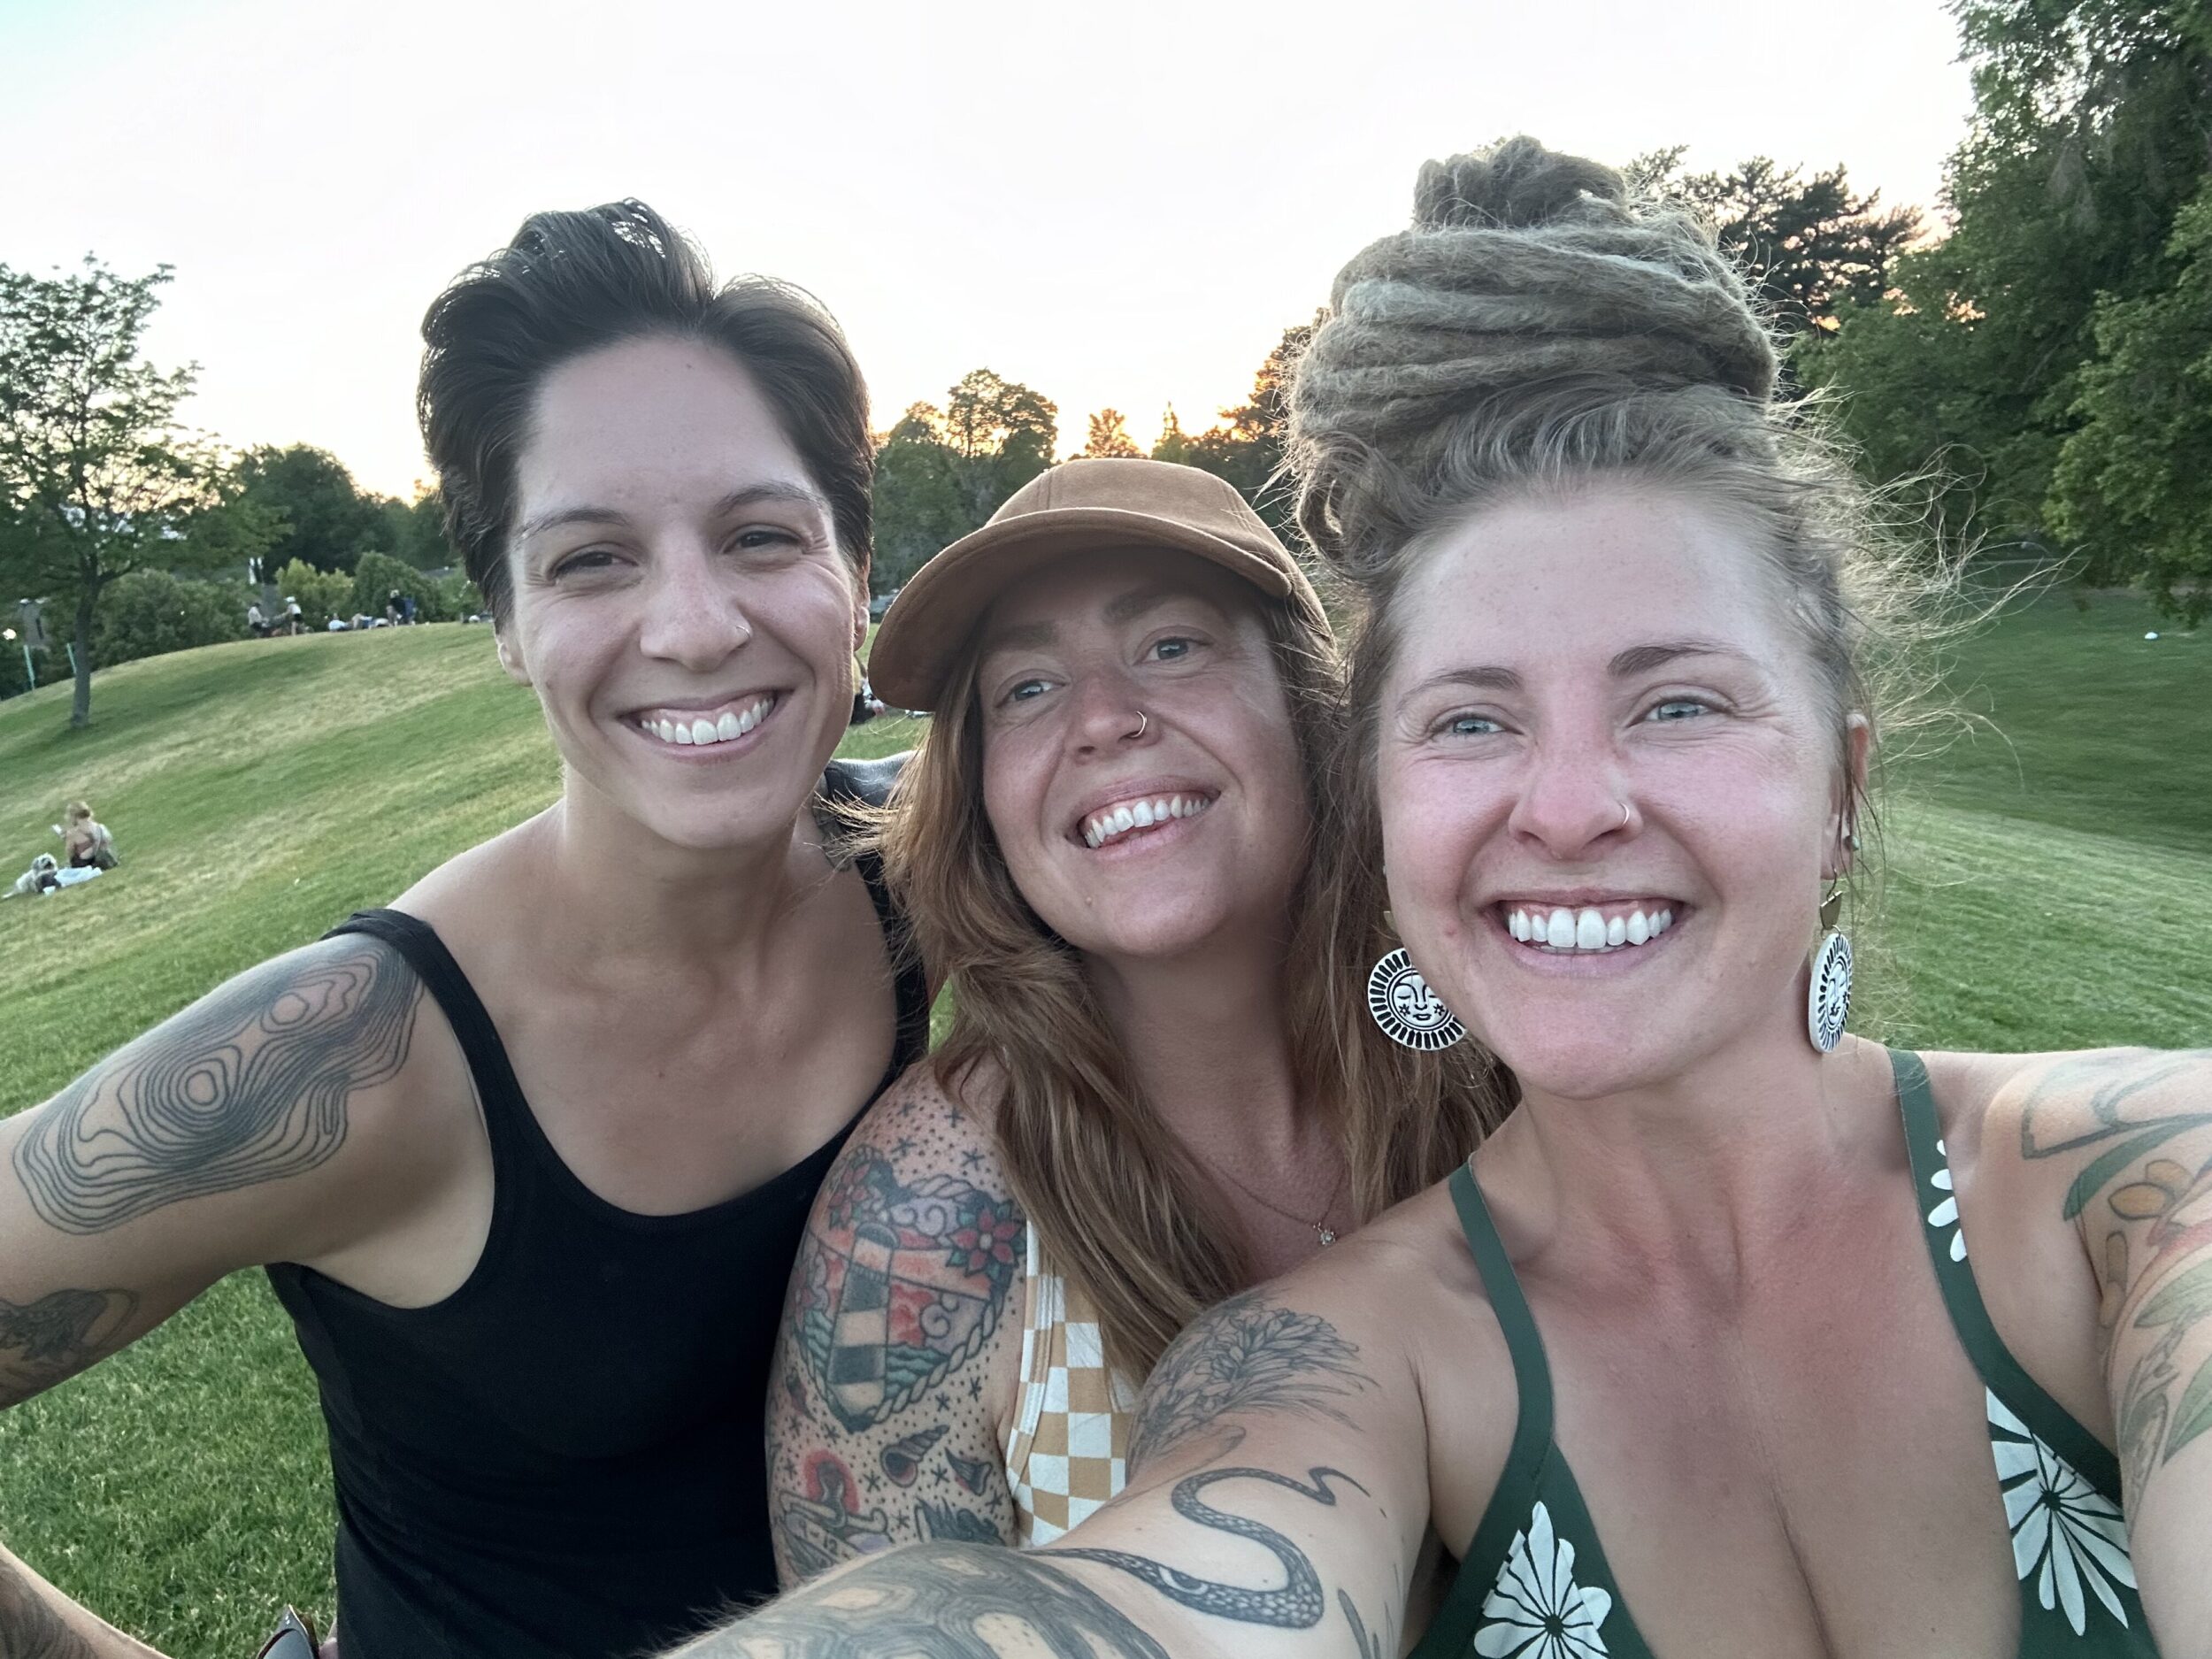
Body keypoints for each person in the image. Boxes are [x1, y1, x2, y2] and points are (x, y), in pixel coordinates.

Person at [672, 140, 2208, 1658]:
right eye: (1476, 718)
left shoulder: (2133, 1189)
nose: (1569, 807)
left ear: (1843, 789)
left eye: (1677, 702)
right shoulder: (1317, 1337)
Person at [0, 199, 927, 1659]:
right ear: (503, 619)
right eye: (592, 560)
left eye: (760, 535)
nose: (695, 625)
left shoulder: (939, 865)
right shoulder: (346, 1060)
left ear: (855, 572)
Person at [765, 459, 1509, 1576]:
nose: (1104, 720)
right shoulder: (929, 1217)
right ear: (982, 794)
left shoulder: (1507, 1054)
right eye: (1027, 688)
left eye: (1170, 646)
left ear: (1309, 703)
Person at [60, 802, 117, 870]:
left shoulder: (72, 833)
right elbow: (108, 841)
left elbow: (70, 852)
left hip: (86, 864)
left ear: (73, 816)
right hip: (105, 860)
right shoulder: (98, 826)